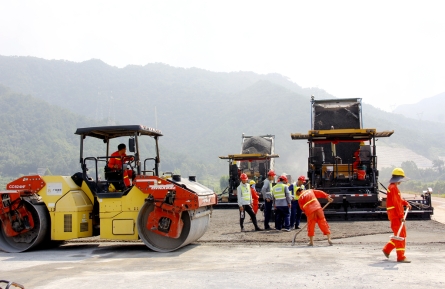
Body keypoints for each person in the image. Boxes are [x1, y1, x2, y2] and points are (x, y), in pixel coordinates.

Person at [382, 168, 412, 263]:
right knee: (401, 235)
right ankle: (401, 257)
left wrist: (406, 203)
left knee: (398, 235)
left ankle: (387, 249)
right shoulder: (393, 188)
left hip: (394, 214)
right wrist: (401, 216)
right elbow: (397, 204)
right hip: (395, 215)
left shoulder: (393, 187)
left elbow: (398, 200)